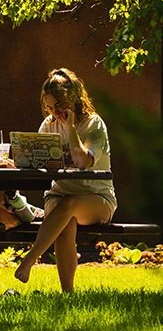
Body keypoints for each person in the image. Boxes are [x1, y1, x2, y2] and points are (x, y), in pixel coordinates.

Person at [14, 68, 117, 292]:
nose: (52, 112)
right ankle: (68, 294)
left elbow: (82, 162)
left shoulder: (93, 125)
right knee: (65, 220)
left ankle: (30, 258)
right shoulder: (48, 125)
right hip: (59, 194)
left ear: (71, 100)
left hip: (96, 197)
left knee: (69, 206)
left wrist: (70, 128)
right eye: (48, 107)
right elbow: (37, 162)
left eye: (57, 106)